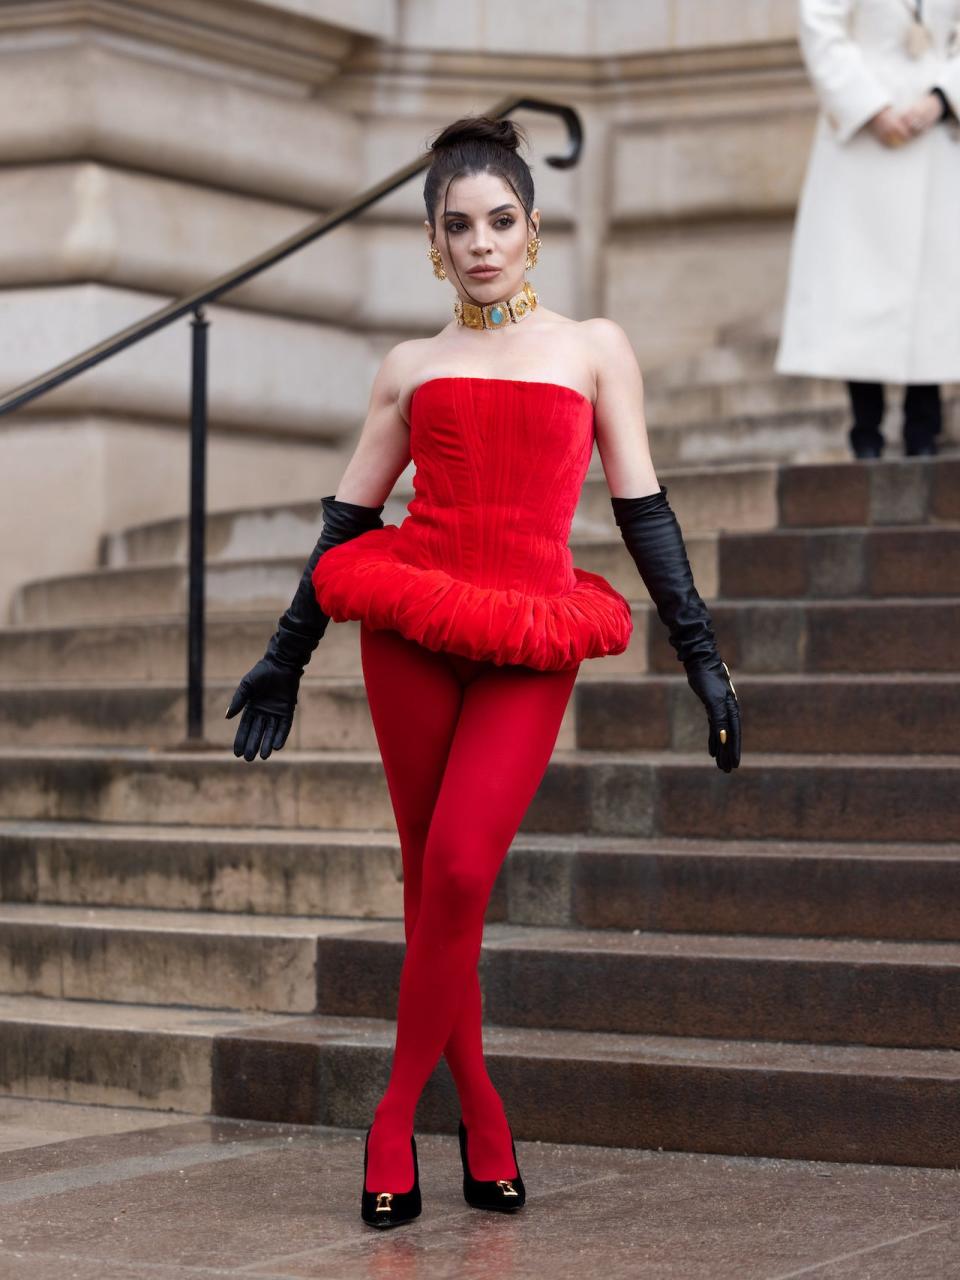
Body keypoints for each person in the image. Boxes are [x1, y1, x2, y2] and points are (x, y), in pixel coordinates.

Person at [225, 115, 741, 1229]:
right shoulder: (411, 365)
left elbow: (643, 508)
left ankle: (396, 1111)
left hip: (530, 631)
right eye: (457, 225)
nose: (481, 242)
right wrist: (283, 658)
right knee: (430, 881)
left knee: (460, 869)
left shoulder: (594, 347)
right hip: (408, 623)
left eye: (500, 220)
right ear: (432, 242)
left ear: (533, 229)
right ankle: (485, 1117)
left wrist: (702, 656)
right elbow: (347, 517)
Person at [775, 0, 960, 458]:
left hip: (937, 134)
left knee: (936, 292)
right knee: (858, 283)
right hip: (862, 137)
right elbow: (821, 27)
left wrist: (942, 98)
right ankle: (866, 431)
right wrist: (871, 107)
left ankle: (924, 430)